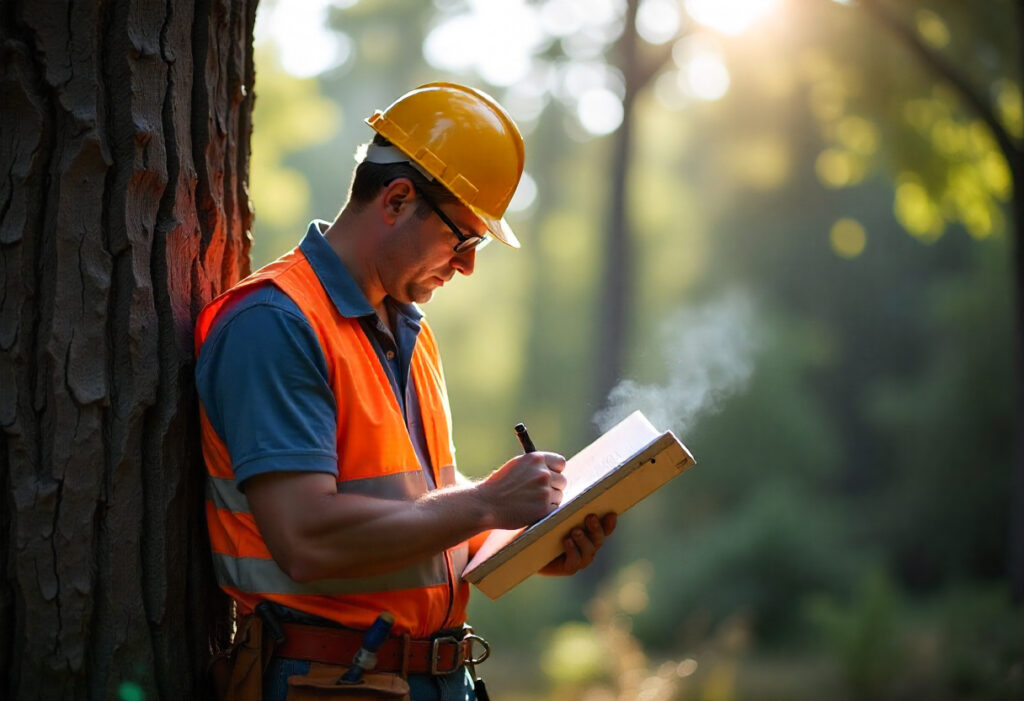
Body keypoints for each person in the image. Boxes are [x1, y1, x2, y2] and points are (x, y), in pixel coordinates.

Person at [195, 82, 617, 701]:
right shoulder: (275, 323)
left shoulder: (407, 329)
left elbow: (406, 510)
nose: (468, 265)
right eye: (463, 238)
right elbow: (306, 538)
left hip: (425, 679)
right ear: (396, 200)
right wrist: (483, 505)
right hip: (328, 682)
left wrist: (519, 543)